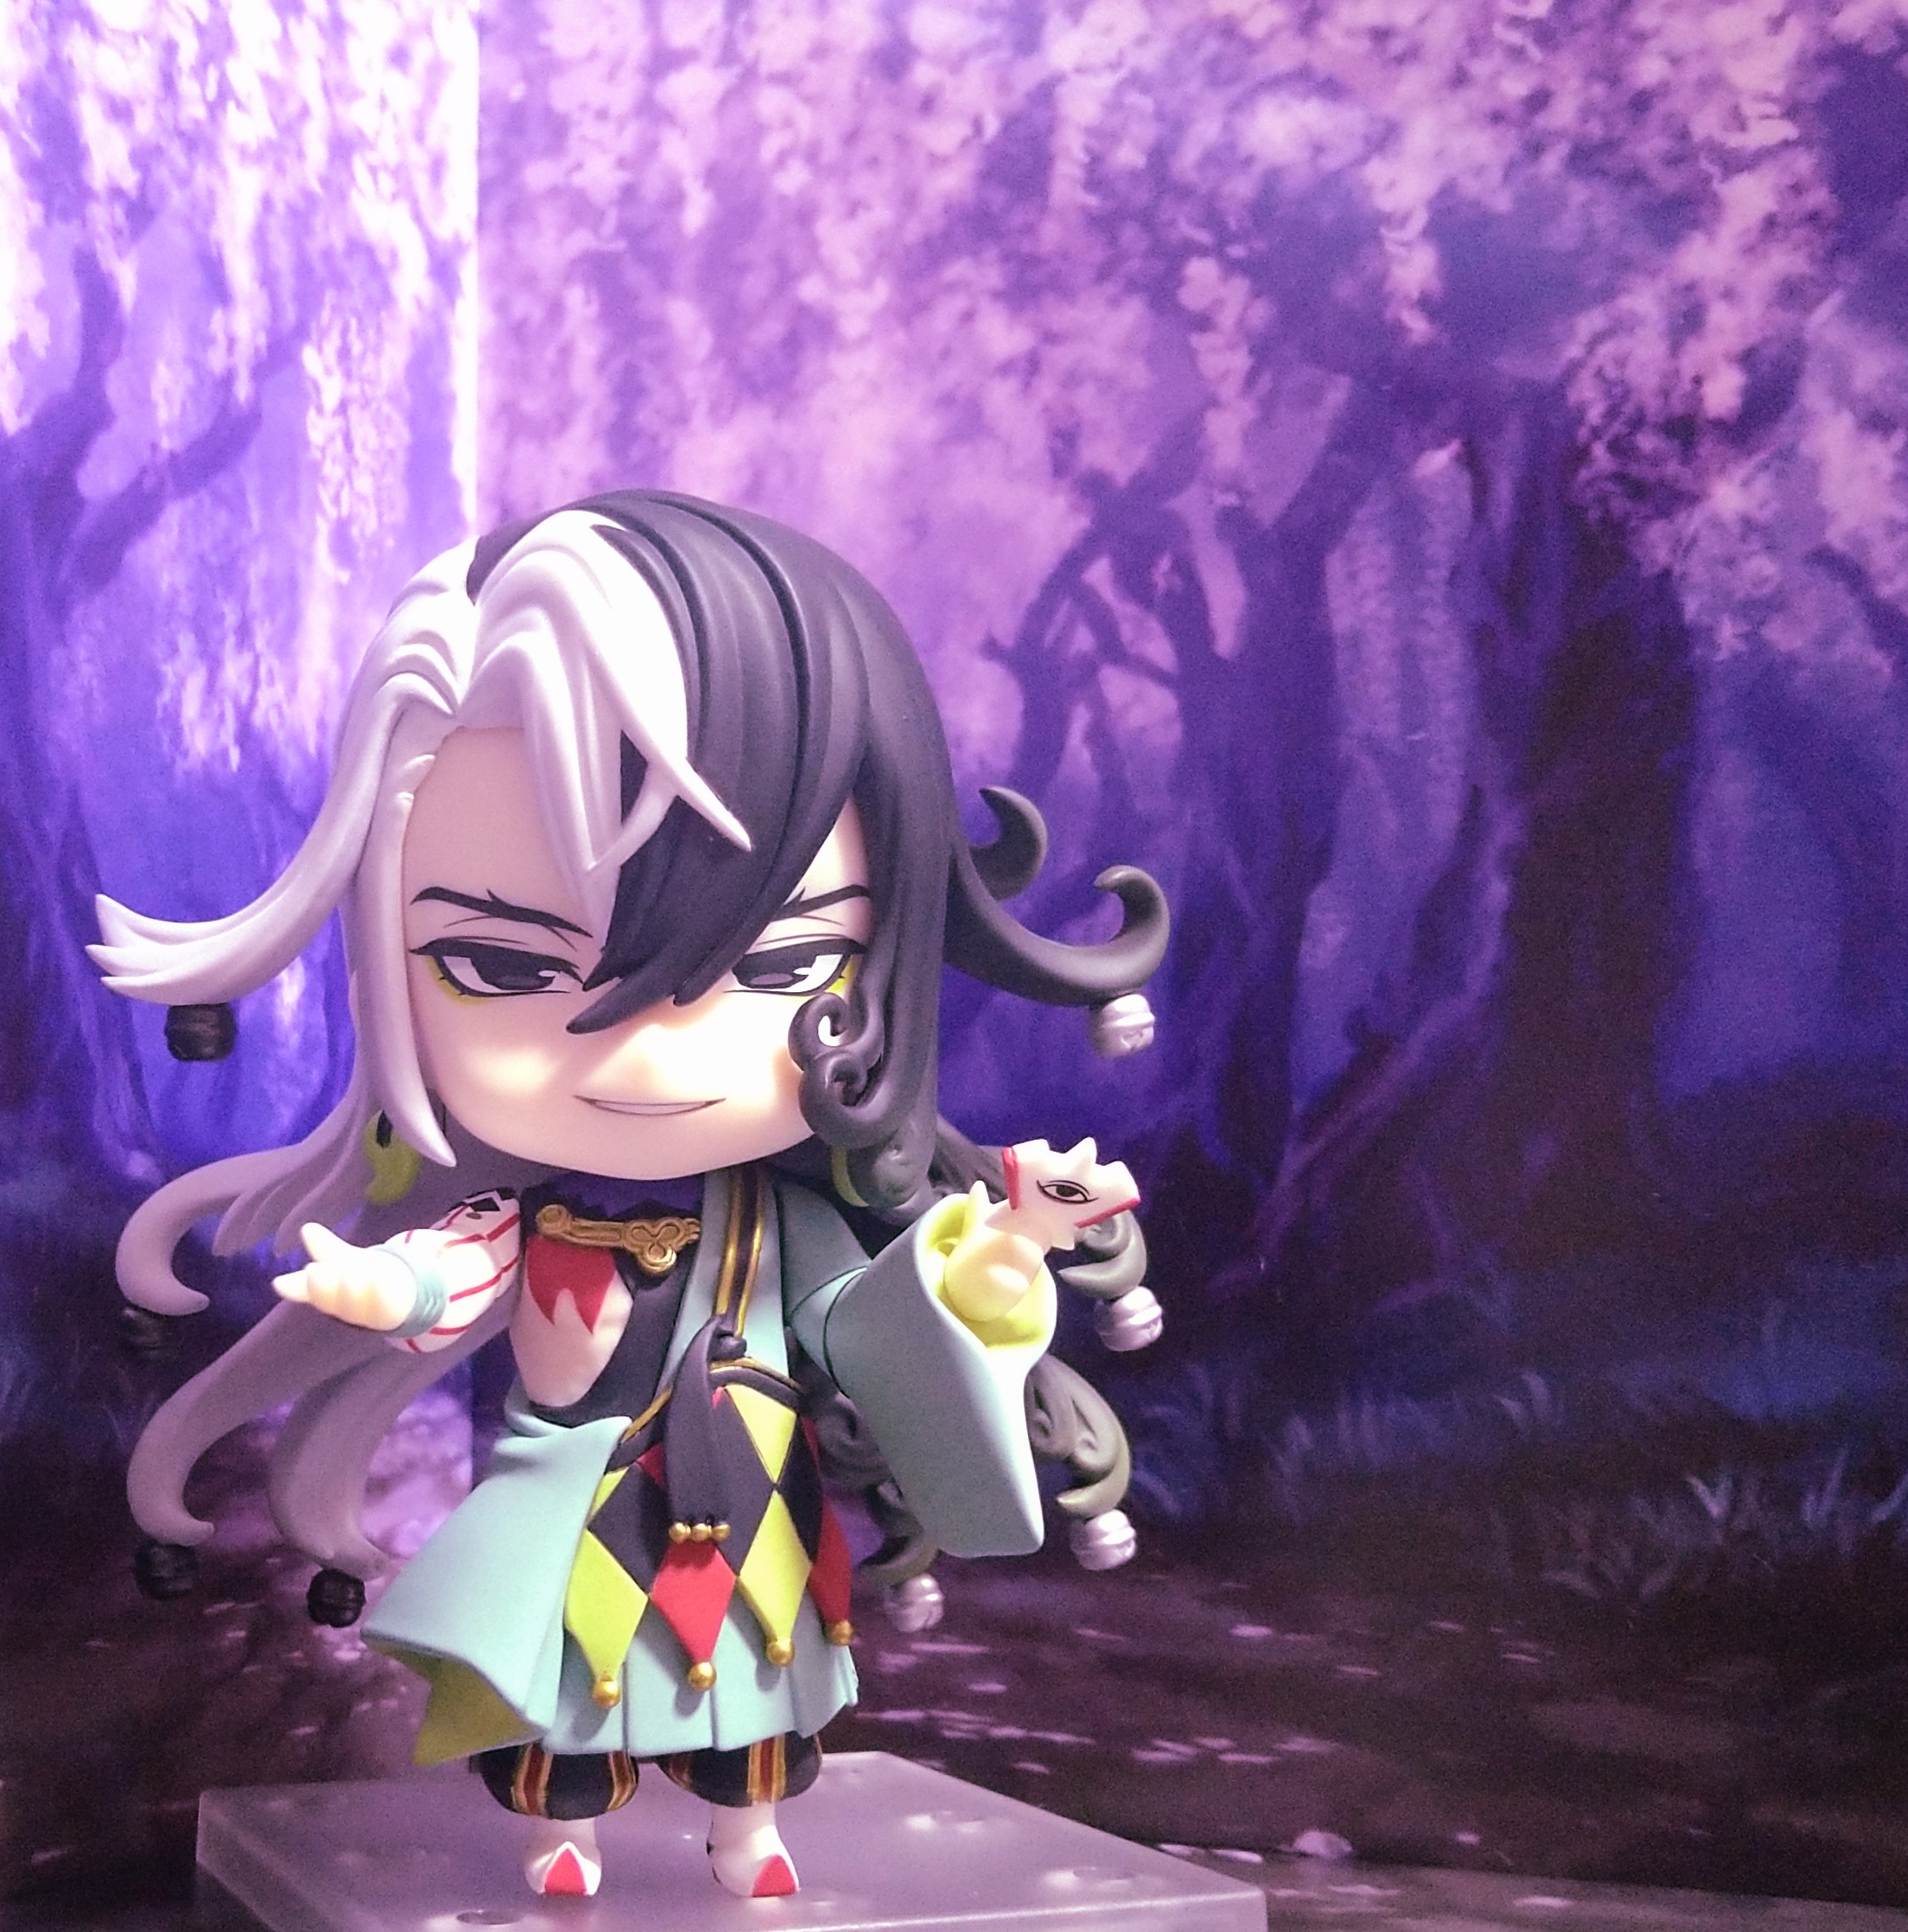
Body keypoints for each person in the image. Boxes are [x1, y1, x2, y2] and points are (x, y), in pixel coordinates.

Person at [89, 490, 1167, 1899]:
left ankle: (749, 1833)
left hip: (759, 1519)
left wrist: (1000, 1253)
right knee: (569, 1688)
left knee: (759, 1690)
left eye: (782, 964)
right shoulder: (526, 1217)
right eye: (504, 968)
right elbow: (454, 1269)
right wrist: (379, 1282)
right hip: (579, 1515)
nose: (648, 1053)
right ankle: (564, 1837)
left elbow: (868, 1327)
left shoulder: (786, 1228)